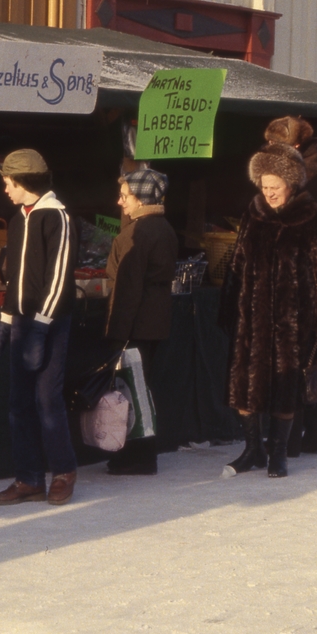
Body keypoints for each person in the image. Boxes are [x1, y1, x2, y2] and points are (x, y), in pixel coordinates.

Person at [220, 142, 317, 479]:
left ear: (291, 184)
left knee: (284, 388)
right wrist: (229, 307)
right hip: (251, 318)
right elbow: (237, 263)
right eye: (264, 186)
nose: (269, 193)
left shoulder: (309, 215)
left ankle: (278, 453)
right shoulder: (254, 212)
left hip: (291, 320)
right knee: (244, 386)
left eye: (275, 187)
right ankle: (253, 448)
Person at [0, 148, 79, 506]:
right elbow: (15, 279)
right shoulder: (17, 219)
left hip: (50, 322)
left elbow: (58, 279)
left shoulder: (57, 217)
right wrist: (4, 323)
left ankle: (64, 471)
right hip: (21, 322)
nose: (5, 189)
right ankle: (27, 478)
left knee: (46, 398)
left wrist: (41, 326)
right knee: (18, 402)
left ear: (24, 182)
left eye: (8, 183)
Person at [263, 116, 317, 458]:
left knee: (295, 359)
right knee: (316, 356)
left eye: (273, 147)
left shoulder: (310, 178)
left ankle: (290, 441)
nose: (268, 153)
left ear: (293, 146)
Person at [103, 168, 178, 476]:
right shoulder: (164, 228)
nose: (120, 202)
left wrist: (117, 333)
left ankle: (139, 456)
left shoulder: (134, 234)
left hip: (136, 323)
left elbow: (127, 289)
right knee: (142, 387)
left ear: (141, 198)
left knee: (132, 391)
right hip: (155, 321)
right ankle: (140, 453)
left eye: (125, 196)